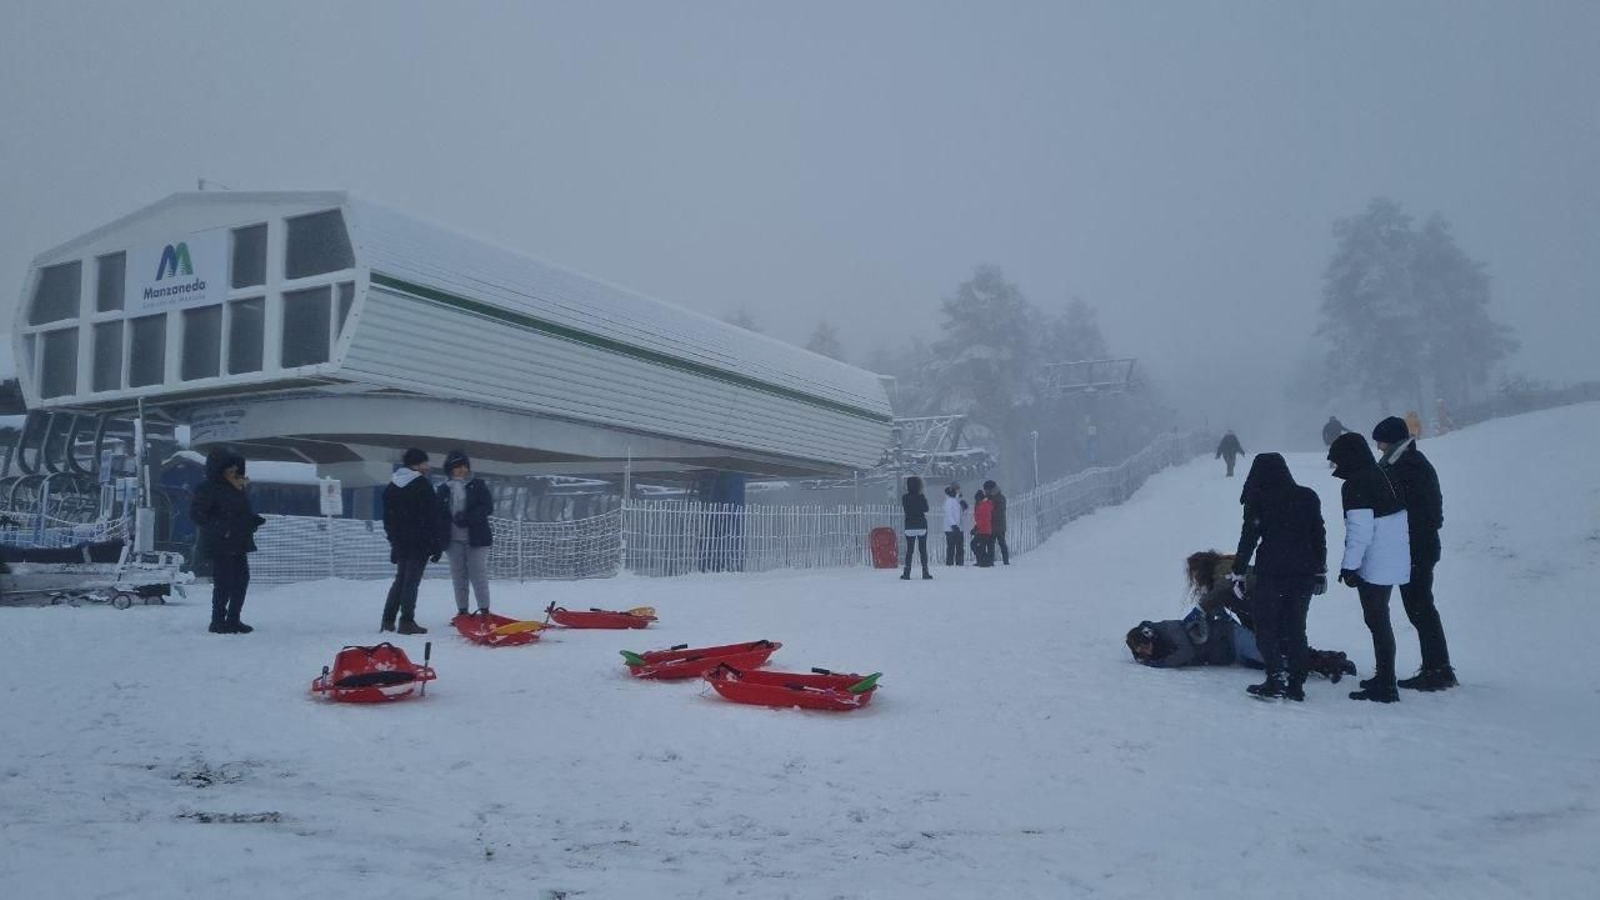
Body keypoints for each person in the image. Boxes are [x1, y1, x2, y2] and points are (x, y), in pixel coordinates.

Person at [1228, 454, 1327, 701]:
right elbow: (1318, 535)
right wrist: (1320, 569)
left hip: (1272, 572)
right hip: (1304, 572)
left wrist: (1238, 571)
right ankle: (1296, 683)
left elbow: (1249, 538)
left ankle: (1275, 678)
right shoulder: (1308, 496)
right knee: (1296, 628)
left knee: (1267, 627)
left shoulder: (1259, 498)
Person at [1373, 416, 1456, 690]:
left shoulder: (1408, 466)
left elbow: (1418, 511)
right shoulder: (1410, 464)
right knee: (1421, 608)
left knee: (1420, 609)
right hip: (1418, 546)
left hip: (1415, 549)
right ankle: (1438, 666)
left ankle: (1437, 669)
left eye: (1381, 442)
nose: (1378, 447)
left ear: (1392, 440)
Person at [1328, 432, 1411, 703]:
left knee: (1377, 621)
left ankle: (1386, 684)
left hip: (1374, 563)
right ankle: (1384, 677)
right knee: (1379, 620)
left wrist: (1350, 567)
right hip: (1393, 558)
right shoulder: (1383, 474)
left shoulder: (1357, 484)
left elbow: (1360, 531)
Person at [190, 448, 265, 634]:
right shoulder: (207, 489)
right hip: (221, 543)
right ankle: (217, 621)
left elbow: (240, 514)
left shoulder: (237, 488)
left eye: (235, 470)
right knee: (224, 583)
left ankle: (233, 619)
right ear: (219, 470)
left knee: (241, 581)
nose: (234, 473)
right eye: (229, 471)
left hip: (239, 541)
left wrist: (252, 520)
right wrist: (221, 529)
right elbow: (198, 515)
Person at [382, 448, 443, 634]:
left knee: (400, 580)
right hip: (419, 541)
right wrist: (436, 543)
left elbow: (388, 519)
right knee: (412, 581)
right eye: (425, 462)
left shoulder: (391, 487)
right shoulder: (422, 485)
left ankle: (387, 620)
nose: (428, 466)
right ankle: (407, 621)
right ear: (417, 464)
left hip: (400, 542)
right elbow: (433, 516)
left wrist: (394, 540)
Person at [437, 449, 493, 619]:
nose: (461, 470)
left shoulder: (478, 485)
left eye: (464, 466)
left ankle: (484, 610)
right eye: (457, 467)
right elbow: (438, 513)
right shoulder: (443, 489)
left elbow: (487, 507)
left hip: (476, 537)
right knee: (458, 575)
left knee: (478, 573)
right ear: (450, 469)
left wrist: (468, 517)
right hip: (453, 539)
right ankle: (462, 611)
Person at [899, 476, 932, 580]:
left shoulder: (905, 498)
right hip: (921, 525)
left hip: (909, 526)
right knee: (922, 549)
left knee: (909, 550)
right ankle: (925, 572)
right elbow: (926, 509)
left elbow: (907, 509)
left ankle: (907, 572)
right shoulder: (921, 496)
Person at [983, 480, 1010, 565]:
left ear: (990, 489)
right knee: (995, 544)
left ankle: (1004, 561)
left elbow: (999, 512)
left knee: (997, 543)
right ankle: (994, 561)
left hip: (997, 525)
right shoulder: (997, 497)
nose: (985, 492)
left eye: (985, 490)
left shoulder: (998, 499)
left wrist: (988, 513)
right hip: (996, 525)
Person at [942, 484, 965, 566]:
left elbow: (960, 514)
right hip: (951, 528)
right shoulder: (949, 501)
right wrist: (953, 525)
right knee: (951, 546)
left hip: (958, 527)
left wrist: (963, 508)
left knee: (959, 546)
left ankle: (959, 562)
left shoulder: (957, 501)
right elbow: (949, 514)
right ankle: (950, 562)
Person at [972, 489, 994, 567]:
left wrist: (977, 528)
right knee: (981, 546)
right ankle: (983, 561)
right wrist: (976, 527)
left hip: (983, 530)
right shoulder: (984, 504)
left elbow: (983, 519)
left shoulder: (983, 506)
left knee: (975, 545)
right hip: (984, 529)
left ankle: (984, 561)